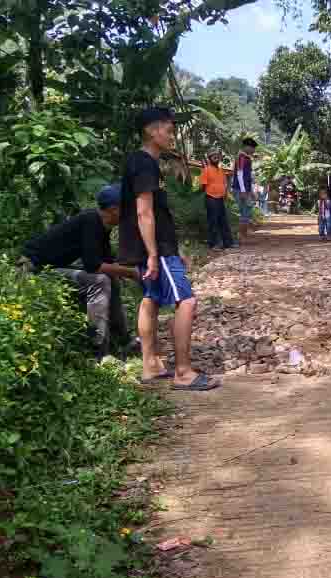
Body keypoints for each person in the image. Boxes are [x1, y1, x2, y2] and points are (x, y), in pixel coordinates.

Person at [119, 107, 219, 390]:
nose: (172, 136)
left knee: (150, 298)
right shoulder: (144, 163)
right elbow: (144, 212)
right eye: (169, 130)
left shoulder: (144, 162)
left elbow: (158, 215)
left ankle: (150, 365)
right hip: (155, 249)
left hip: (156, 247)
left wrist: (174, 249)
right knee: (186, 301)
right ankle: (183, 372)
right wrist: (155, 254)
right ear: (152, 131)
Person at [21, 185, 138, 358]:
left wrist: (132, 271)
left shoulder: (102, 225)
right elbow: (93, 265)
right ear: (114, 209)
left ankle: (122, 340)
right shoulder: (91, 221)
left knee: (110, 278)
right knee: (100, 280)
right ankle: (99, 350)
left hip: (50, 267)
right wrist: (131, 273)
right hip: (33, 269)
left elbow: (107, 262)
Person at [199, 149, 236, 250]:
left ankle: (228, 243)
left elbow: (224, 184)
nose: (216, 157)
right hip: (211, 198)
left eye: (217, 156)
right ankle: (213, 244)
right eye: (213, 156)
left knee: (223, 221)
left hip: (220, 199)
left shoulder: (221, 171)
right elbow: (203, 186)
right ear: (209, 158)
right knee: (213, 222)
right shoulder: (206, 170)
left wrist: (225, 194)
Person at [234, 137, 258, 242]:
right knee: (243, 212)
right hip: (240, 189)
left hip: (245, 189)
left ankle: (243, 235)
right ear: (247, 147)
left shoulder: (247, 158)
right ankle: (240, 236)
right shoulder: (241, 157)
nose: (254, 150)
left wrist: (251, 191)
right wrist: (243, 190)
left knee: (246, 211)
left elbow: (248, 177)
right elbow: (239, 174)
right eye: (253, 148)